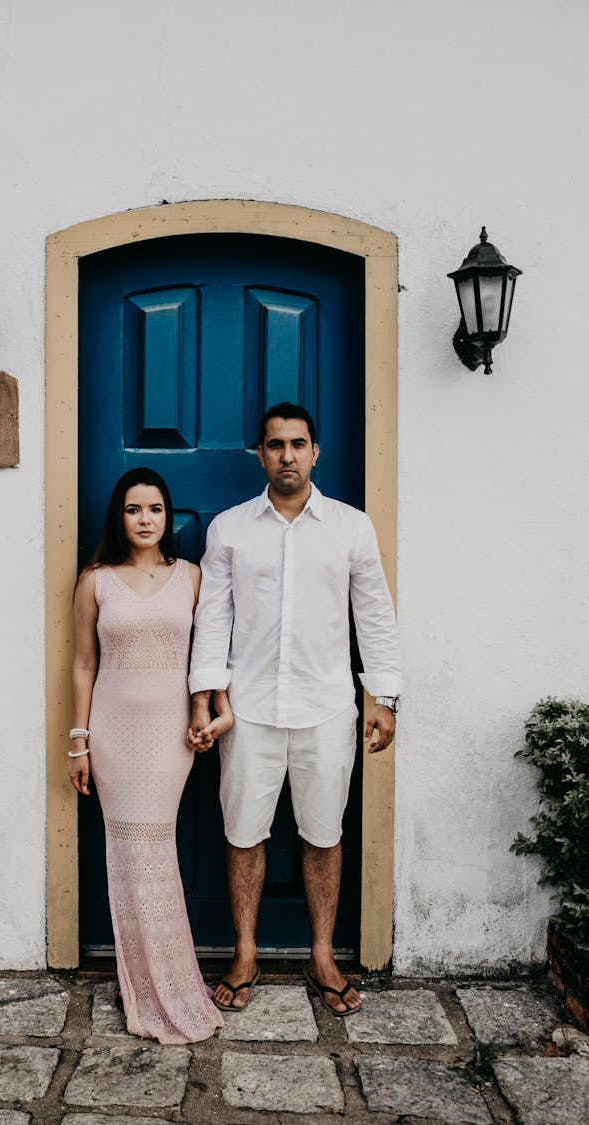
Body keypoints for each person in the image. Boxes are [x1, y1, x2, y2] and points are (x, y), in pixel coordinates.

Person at [188, 403, 402, 1017]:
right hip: (248, 710)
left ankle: (323, 954)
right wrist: (206, 694)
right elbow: (214, 619)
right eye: (276, 444)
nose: (287, 455)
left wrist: (382, 697)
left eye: (298, 444)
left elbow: (376, 616)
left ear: (316, 452)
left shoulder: (351, 527)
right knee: (243, 835)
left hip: (328, 709)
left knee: (324, 836)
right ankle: (246, 952)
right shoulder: (229, 528)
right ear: (260, 453)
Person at [69, 467, 231, 1044]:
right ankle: (140, 980)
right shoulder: (96, 581)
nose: (145, 519)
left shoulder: (191, 577)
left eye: (156, 509)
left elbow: (212, 654)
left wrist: (217, 709)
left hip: (169, 732)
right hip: (111, 731)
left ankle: (171, 981)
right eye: (134, 509)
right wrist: (78, 741)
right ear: (120, 515)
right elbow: (84, 665)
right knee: (124, 853)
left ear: (169, 516)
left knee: (154, 849)